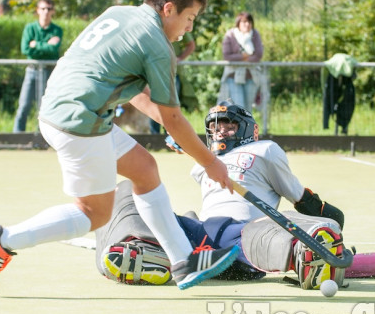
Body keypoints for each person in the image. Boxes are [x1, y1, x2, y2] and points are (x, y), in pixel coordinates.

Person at [0, 0, 240, 293]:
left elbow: (140, 96)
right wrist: (210, 162)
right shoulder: (158, 45)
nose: (189, 27)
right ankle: (1, 240)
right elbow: (173, 118)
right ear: (168, 9)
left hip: (62, 109)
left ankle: (184, 263)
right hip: (80, 120)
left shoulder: (120, 14)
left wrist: (174, 130)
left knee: (144, 169)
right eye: (190, 17)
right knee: (94, 212)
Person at [95, 100, 348, 290]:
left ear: (252, 130)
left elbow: (298, 196)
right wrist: (190, 145)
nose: (220, 132)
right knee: (128, 189)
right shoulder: (203, 162)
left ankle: (303, 252)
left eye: (229, 126)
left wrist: (328, 215)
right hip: (198, 239)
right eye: (215, 128)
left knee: (278, 223)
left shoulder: (265, 150)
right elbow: (200, 152)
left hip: (245, 235)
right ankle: (145, 249)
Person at [13, 0, 63, 132]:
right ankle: (18, 136)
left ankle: (42, 137)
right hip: (32, 70)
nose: (46, 12)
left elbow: (53, 50)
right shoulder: (30, 28)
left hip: (49, 71)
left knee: (45, 108)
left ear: (53, 11)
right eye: (43, 8)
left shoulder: (57, 30)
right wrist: (46, 45)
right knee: (24, 105)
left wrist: (36, 45)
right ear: (37, 10)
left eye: (49, 9)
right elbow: (26, 49)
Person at [149, 32, 196, 134]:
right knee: (154, 105)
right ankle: (154, 138)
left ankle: (171, 137)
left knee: (171, 107)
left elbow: (191, 45)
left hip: (173, 74)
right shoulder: (152, 26)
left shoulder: (179, 23)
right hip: (155, 72)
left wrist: (180, 58)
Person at [219, 12, 264, 109]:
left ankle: (247, 125)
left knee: (248, 110)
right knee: (239, 107)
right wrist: (244, 56)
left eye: (249, 22)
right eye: (244, 22)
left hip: (251, 76)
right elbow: (227, 56)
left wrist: (241, 58)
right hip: (233, 76)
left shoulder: (255, 34)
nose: (247, 24)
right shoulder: (230, 35)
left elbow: (258, 55)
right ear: (238, 23)